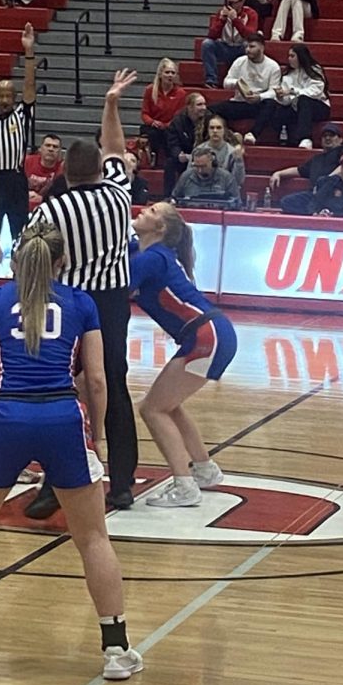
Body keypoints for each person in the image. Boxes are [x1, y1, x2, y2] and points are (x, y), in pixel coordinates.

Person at [0, 219, 143, 683]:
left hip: (7, 416)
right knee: (94, 539)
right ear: (63, 262)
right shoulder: (82, 303)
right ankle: (117, 651)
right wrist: (94, 436)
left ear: (16, 262)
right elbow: (97, 380)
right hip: (62, 417)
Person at [27, 70, 140, 515]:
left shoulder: (53, 208)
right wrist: (111, 102)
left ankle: (57, 483)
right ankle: (124, 482)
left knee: (64, 392)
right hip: (112, 303)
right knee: (114, 385)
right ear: (99, 170)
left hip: (71, 305)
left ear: (65, 174)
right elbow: (116, 147)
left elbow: (28, 258)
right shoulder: (117, 193)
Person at [130, 202, 237, 506]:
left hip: (206, 334)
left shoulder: (151, 259)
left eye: (151, 211)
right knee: (168, 405)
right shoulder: (152, 254)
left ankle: (184, 484)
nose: (142, 211)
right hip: (214, 331)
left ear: (160, 228)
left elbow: (113, 288)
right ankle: (204, 469)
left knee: (152, 409)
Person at [0, 23, 36, 289]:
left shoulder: (22, 115)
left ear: (14, 98)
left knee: (21, 234)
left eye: (8, 95)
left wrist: (29, 52)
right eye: (0, 94)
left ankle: (22, 282)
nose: (4, 98)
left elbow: (30, 86)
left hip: (15, 178)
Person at [247, 44, 330, 148]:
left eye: (292, 56)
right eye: (289, 56)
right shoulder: (288, 74)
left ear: (301, 57)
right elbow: (287, 101)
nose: (289, 59)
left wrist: (292, 91)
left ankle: (305, 138)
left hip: (318, 106)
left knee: (303, 100)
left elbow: (315, 91)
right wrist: (281, 97)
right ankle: (254, 134)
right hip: (295, 107)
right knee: (273, 105)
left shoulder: (314, 69)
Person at [270, 122, 343, 214]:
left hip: (334, 194)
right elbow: (299, 170)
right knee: (286, 202)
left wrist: (325, 182)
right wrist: (278, 173)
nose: (327, 138)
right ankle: (317, 212)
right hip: (314, 195)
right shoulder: (316, 159)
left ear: (340, 139)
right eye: (325, 136)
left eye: (331, 135)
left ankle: (320, 211)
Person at [213, 33, 282, 137]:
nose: (248, 50)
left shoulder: (273, 66)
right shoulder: (239, 61)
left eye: (252, 47)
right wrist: (236, 83)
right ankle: (230, 134)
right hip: (240, 102)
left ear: (262, 48)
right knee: (210, 110)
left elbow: (273, 92)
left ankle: (252, 134)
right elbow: (226, 82)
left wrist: (259, 97)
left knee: (271, 104)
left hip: (258, 104)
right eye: (246, 47)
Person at [200, 0, 259, 89]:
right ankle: (211, 80)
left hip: (241, 47)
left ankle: (247, 81)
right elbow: (212, 35)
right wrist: (222, 20)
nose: (229, 5)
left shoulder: (250, 14)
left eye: (232, 3)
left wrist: (235, 20)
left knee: (250, 46)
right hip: (225, 46)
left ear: (241, 2)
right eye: (227, 2)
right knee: (207, 44)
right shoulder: (221, 12)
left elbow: (250, 36)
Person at [140, 58, 186, 162]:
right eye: (167, 72)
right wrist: (152, 122)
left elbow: (179, 115)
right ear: (160, 74)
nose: (170, 75)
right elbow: (144, 113)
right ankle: (152, 158)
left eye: (173, 73)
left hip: (170, 126)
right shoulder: (150, 90)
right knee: (152, 133)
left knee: (169, 134)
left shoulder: (181, 93)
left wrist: (167, 125)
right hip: (154, 126)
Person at [164, 92, 207, 198]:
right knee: (170, 162)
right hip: (185, 157)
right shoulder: (178, 121)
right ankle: (170, 196)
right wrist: (178, 154)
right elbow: (173, 142)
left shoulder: (209, 119)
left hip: (205, 157)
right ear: (189, 107)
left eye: (204, 104)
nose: (203, 108)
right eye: (199, 104)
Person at [171, 144, 241, 207]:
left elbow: (237, 204)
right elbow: (174, 199)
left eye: (203, 166)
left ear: (212, 162)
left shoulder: (226, 177)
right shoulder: (186, 176)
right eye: (196, 166)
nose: (199, 170)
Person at [198, 115, 245, 187]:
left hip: (225, 193)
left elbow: (238, 181)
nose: (215, 131)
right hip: (201, 191)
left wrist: (239, 160)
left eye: (218, 128)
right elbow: (189, 177)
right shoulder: (198, 150)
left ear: (224, 130)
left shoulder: (232, 152)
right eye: (212, 128)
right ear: (208, 130)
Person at [25, 133, 64, 210]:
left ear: (60, 151)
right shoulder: (27, 161)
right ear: (40, 148)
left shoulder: (63, 169)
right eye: (47, 145)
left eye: (55, 147)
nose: (51, 149)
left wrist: (42, 198)